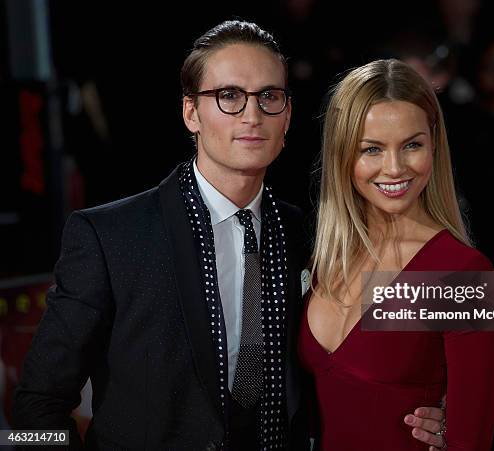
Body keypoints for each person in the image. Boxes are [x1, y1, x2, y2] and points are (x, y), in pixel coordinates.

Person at [12, 21, 446, 450]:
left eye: (269, 97)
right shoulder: (110, 236)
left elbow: (433, 324)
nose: (252, 115)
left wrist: (441, 409)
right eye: (229, 96)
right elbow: (33, 411)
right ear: (190, 113)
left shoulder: (313, 234)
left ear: (288, 115)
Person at [299, 59, 494, 450]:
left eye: (412, 145)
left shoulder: (462, 274)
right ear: (343, 156)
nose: (394, 168)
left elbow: (471, 441)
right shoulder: (325, 260)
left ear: (434, 145)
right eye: (371, 149)